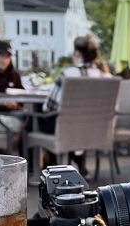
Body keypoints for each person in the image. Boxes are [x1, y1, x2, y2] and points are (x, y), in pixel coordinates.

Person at [41, 35, 106, 172]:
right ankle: (74, 164)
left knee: (32, 122)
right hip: (93, 129)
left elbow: (49, 106)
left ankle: (42, 169)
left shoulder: (68, 74)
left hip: (67, 129)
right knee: (68, 122)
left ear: (77, 53)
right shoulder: (102, 75)